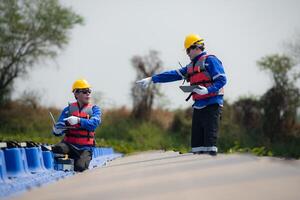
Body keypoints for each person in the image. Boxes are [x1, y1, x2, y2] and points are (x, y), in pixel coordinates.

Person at [136, 34, 227, 156]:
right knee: (196, 147)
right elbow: (173, 74)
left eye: (188, 49)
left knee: (209, 145)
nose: (187, 53)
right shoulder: (191, 66)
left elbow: (222, 80)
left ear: (196, 47)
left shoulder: (210, 60)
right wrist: (152, 79)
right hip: (198, 106)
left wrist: (208, 90)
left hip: (212, 104)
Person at [52, 79, 101, 171]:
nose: (88, 94)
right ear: (76, 94)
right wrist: (57, 130)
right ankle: (62, 166)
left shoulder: (95, 109)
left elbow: (94, 124)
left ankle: (75, 163)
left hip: (85, 148)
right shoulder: (67, 110)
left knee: (80, 167)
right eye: (85, 91)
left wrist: (78, 120)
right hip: (69, 145)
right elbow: (59, 127)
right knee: (58, 148)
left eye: (89, 91)